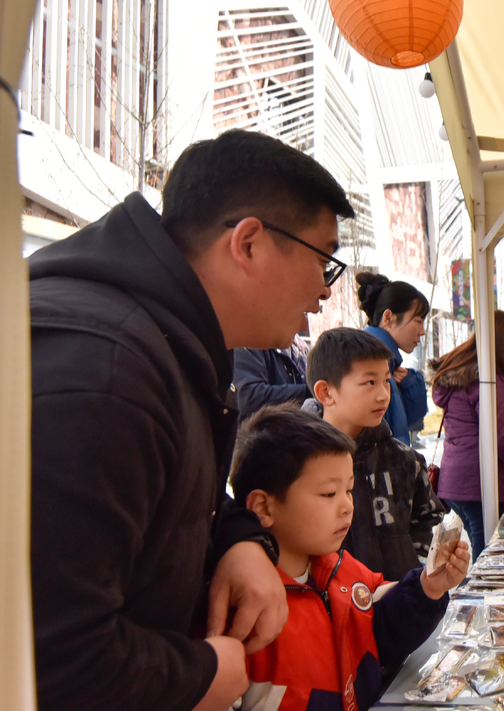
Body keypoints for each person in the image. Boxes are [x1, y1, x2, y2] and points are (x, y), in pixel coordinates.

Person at [28, 128, 355, 711]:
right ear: (249, 243)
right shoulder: (105, 371)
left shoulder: (175, 344)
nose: (323, 293)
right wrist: (202, 673)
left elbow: (176, 494)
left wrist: (237, 540)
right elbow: (49, 653)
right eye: (324, 262)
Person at [230, 405, 467, 711]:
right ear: (263, 507)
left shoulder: (341, 568)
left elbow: (379, 633)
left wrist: (428, 588)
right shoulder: (246, 608)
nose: (347, 507)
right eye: (329, 494)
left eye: (349, 490)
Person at [306, 327, 445, 580]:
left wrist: (417, 569)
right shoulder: (299, 464)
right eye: (369, 382)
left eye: (386, 381)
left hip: (400, 604)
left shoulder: (405, 460)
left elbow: (431, 519)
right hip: (333, 609)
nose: (384, 395)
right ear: (326, 392)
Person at [430, 310, 504, 558]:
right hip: (479, 485)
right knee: (489, 559)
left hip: (458, 482)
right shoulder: (489, 381)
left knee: (484, 553)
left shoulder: (465, 375)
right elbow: (502, 438)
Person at [356, 272, 430, 445]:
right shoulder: (368, 361)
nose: (423, 331)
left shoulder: (389, 364)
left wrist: (411, 383)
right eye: (418, 321)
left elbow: (406, 422)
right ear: (389, 318)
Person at [233, 335, 312, 421]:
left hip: (296, 428)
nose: (304, 325)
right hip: (262, 431)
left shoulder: (299, 345)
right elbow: (249, 399)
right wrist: (307, 392)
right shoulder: (248, 342)